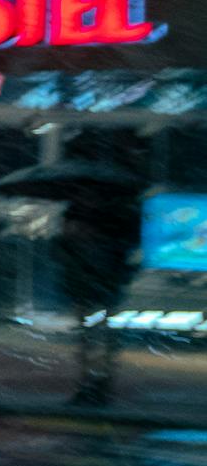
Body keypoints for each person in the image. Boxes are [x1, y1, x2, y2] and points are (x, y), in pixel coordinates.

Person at [56, 136, 145, 406]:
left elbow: (127, 244)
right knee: (90, 334)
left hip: (101, 276)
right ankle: (90, 383)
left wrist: (88, 238)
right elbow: (61, 247)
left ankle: (99, 384)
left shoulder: (112, 213)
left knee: (99, 334)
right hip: (90, 277)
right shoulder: (84, 212)